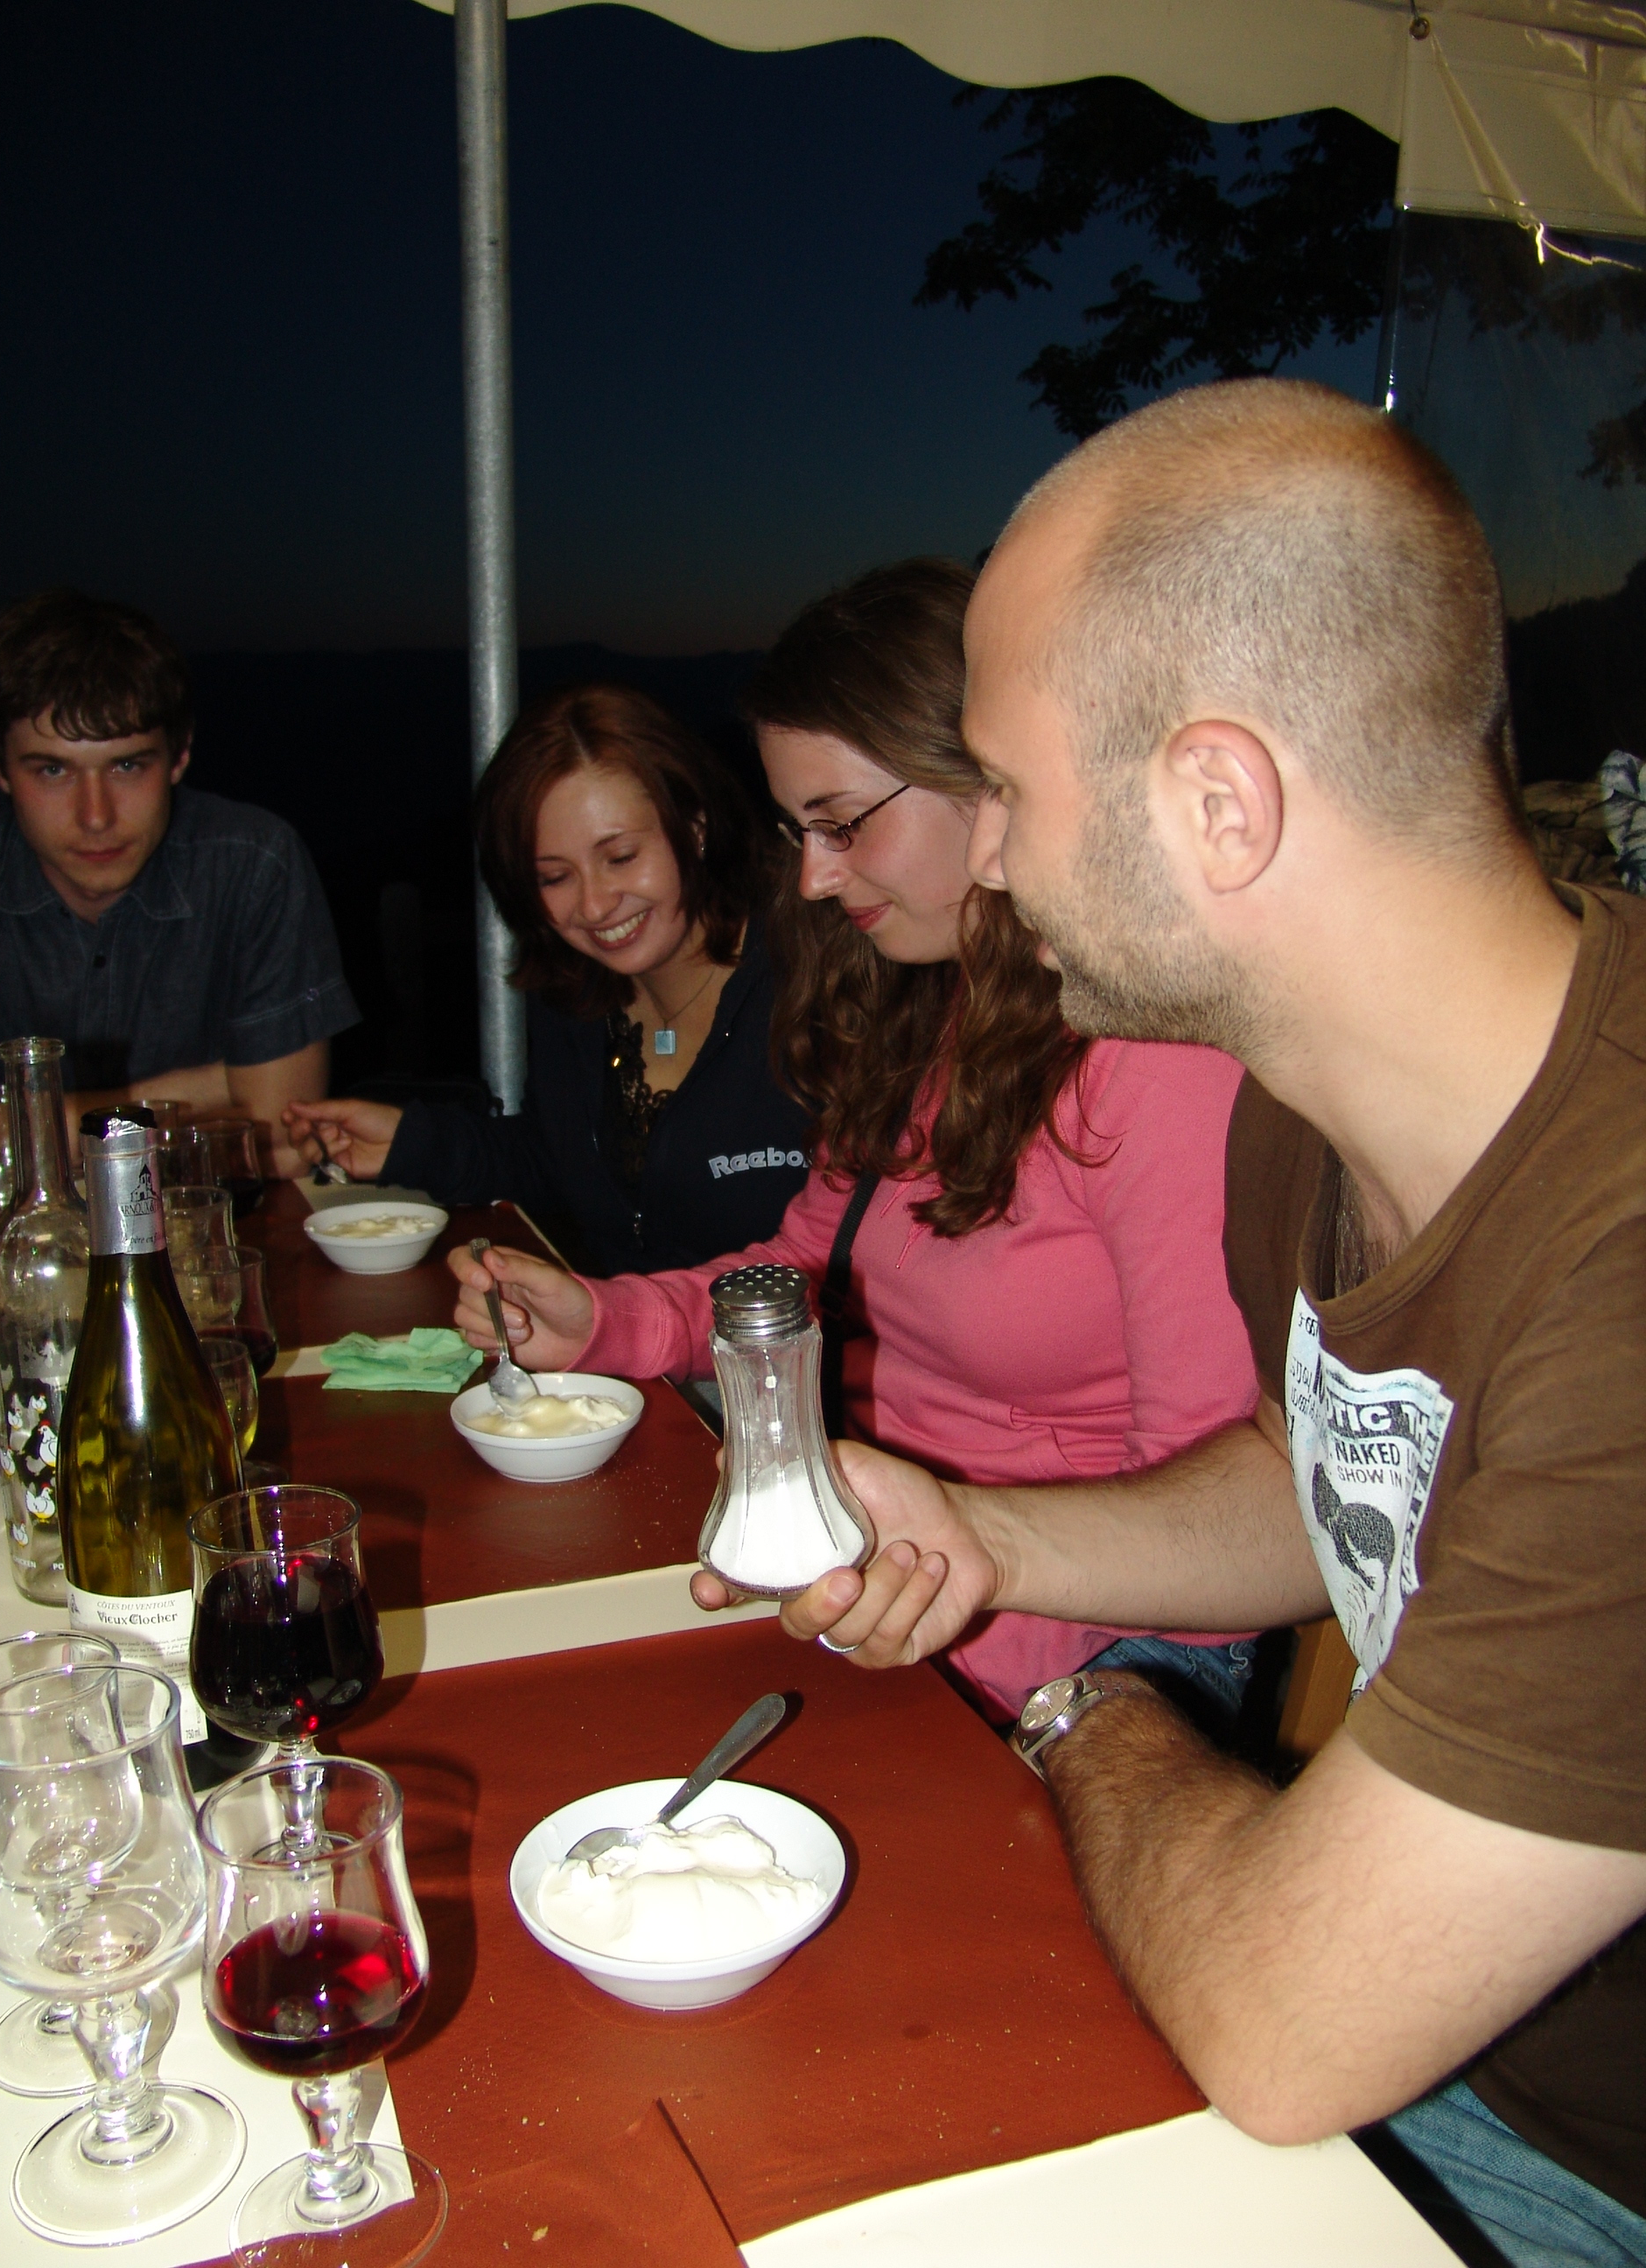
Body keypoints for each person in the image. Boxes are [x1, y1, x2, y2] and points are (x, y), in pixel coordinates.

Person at [739, 385, 1646, 2264]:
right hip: (1431, 2045)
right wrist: (988, 1538)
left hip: (1574, 2162)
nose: (990, 859)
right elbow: (1318, 1484)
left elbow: (1288, 2033)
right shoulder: (1305, 1109)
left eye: (1010, 789)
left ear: (1216, 803)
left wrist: (1088, 1706)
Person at [448, 561, 1261, 1726]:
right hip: (880, 1594)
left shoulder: (1158, 1062)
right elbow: (796, 1272)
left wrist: (931, 1620)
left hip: (1078, 1661)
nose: (816, 879)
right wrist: (601, 1321)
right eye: (799, 832)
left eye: (840, 824)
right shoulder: (925, 1013)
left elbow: (1217, 1525)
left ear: (986, 777)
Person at [284, 685, 810, 1276]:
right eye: (555, 877)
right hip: (615, 1332)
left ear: (695, 827)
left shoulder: (813, 981)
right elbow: (558, 1160)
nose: (594, 906)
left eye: (621, 857)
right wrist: (413, 1144)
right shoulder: (575, 989)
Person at [0, 587, 357, 1191]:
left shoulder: (252, 863)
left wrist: (5, 1131)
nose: (95, 816)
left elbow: (276, 1145)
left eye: (127, 766)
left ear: (179, 757)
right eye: (53, 770)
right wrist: (198, 1093)